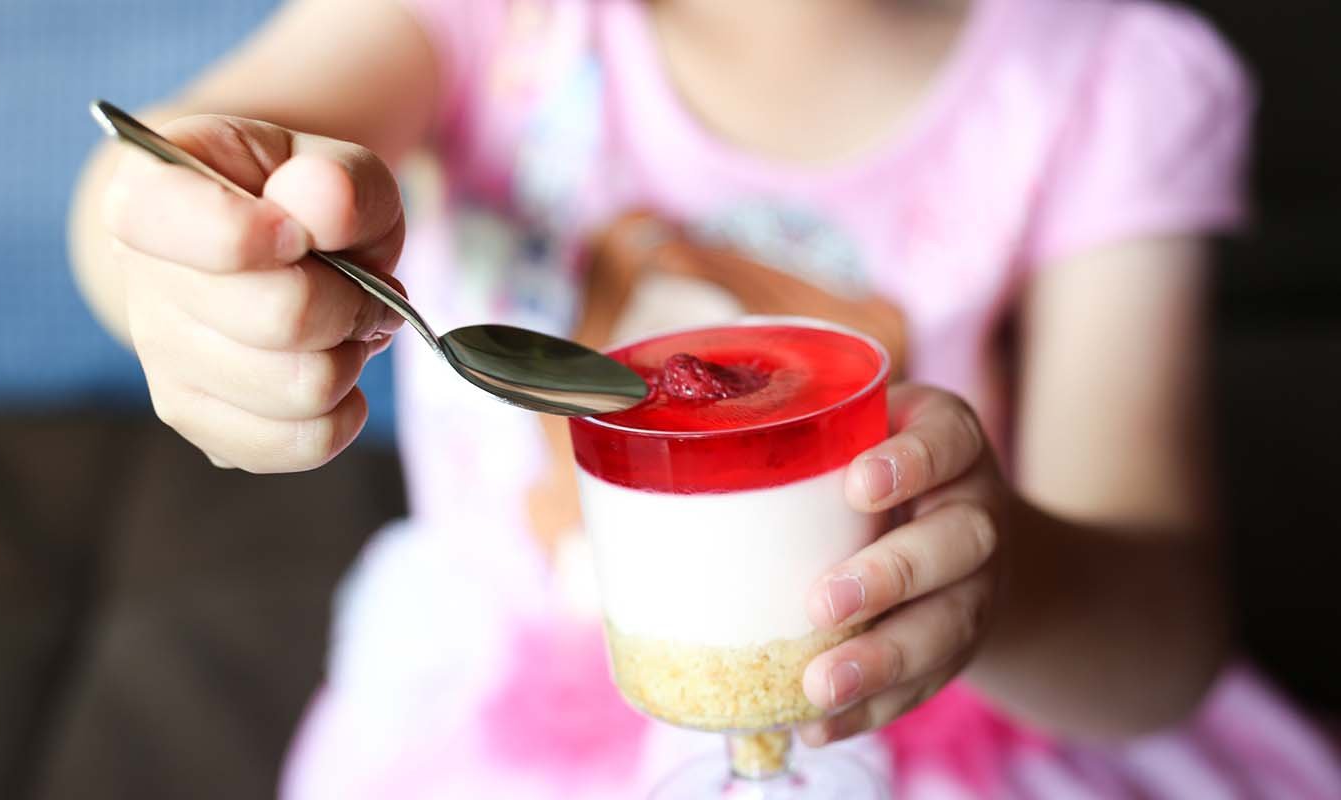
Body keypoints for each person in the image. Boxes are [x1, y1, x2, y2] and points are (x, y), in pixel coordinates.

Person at [68, 0, 1341, 796]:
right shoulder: (475, 23)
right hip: (509, 716)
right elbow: (202, 159)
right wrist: (183, 259)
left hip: (962, 718)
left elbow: (1163, 643)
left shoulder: (1107, 82)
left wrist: (1003, 582)